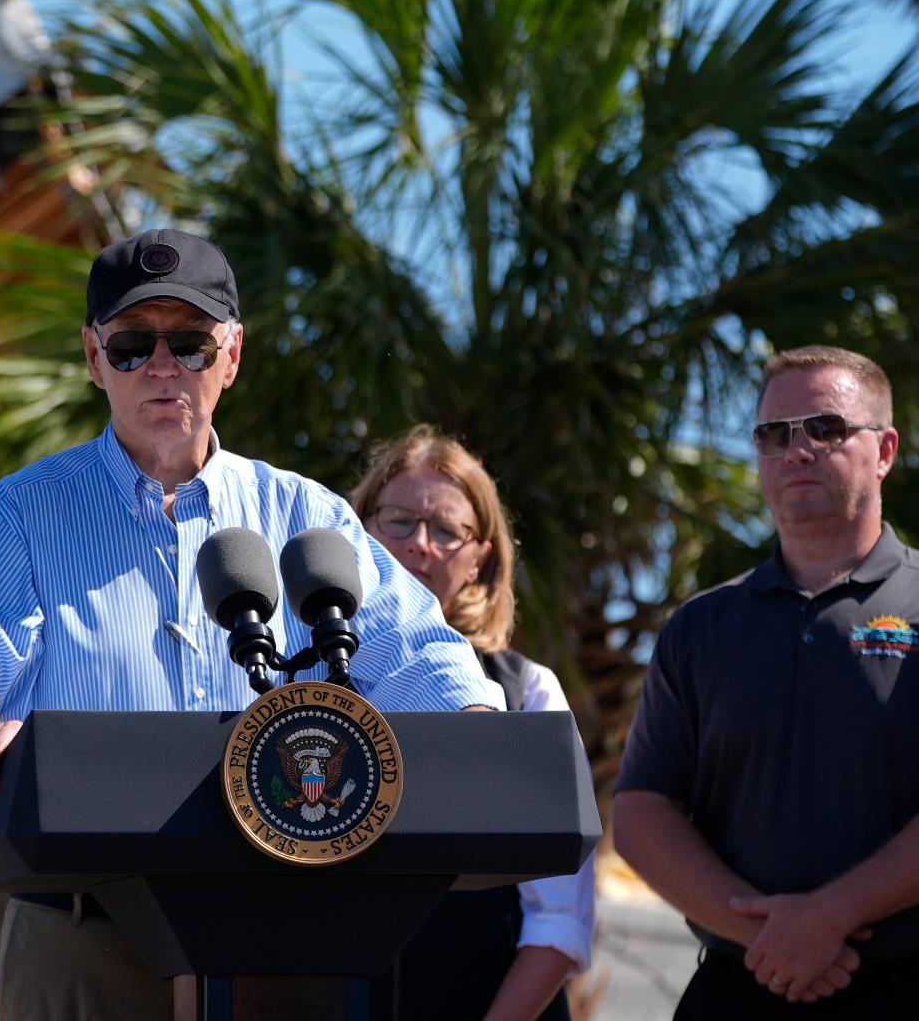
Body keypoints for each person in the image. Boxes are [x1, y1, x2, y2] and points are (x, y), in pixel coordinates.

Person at [0, 229, 504, 1018]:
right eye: (131, 346)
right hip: (85, 937)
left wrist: (480, 726)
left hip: (284, 932)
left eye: (189, 343)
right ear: (91, 358)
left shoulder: (307, 517)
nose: (161, 367)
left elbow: (420, 655)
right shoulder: (21, 514)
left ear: (232, 356)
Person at [615, 345, 919, 1018]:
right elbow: (641, 811)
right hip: (736, 984)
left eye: (826, 428)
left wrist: (831, 917)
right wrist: (770, 939)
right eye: (774, 434)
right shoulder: (700, 627)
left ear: (886, 450)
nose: (797, 450)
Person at [351, 425, 596, 1021]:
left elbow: (561, 914)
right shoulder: (303, 682)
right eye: (400, 521)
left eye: (446, 530)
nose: (420, 546)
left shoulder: (524, 688)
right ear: (359, 530)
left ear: (480, 557)